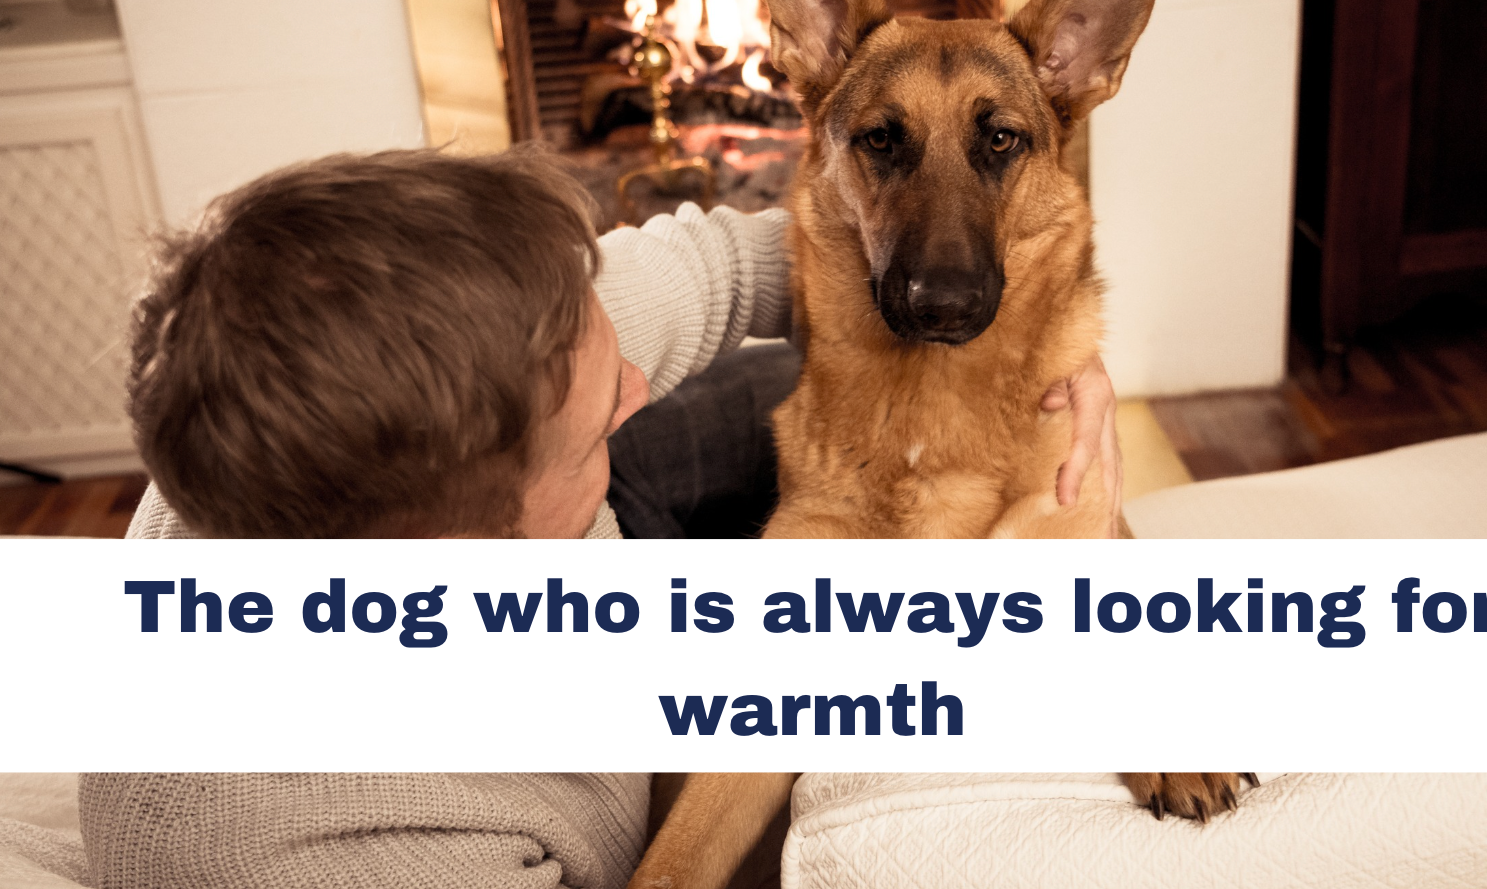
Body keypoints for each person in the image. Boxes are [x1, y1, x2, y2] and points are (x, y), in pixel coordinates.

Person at [87, 146, 1122, 888]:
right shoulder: (305, 847)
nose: (637, 385)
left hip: (600, 539)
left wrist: (1035, 361)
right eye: (593, 425)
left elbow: (734, 262)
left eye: (605, 339)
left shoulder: (471, 330)